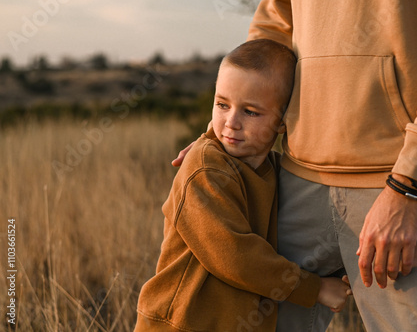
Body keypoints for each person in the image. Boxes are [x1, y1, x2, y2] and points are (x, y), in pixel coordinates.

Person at [173, 0, 417, 331]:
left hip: (402, 185)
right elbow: (273, 33)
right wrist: (219, 135)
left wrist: (410, 182)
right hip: (294, 180)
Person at [134, 39, 352, 332]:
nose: (231, 123)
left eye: (250, 111)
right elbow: (234, 255)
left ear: (283, 121)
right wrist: (314, 288)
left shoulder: (272, 169)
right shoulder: (205, 168)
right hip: (183, 322)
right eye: (222, 104)